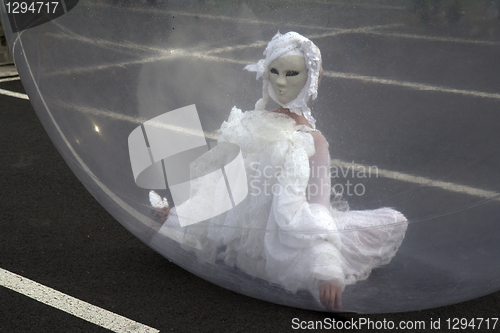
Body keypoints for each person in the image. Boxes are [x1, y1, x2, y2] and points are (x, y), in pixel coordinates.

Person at [153, 32, 407, 311]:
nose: (281, 81)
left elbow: (317, 204)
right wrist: (180, 215)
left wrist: (327, 268)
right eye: (274, 71)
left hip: (282, 242)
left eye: (291, 73)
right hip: (243, 243)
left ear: (309, 78)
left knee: (391, 222)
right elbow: (224, 185)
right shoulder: (250, 122)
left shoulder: (313, 139)